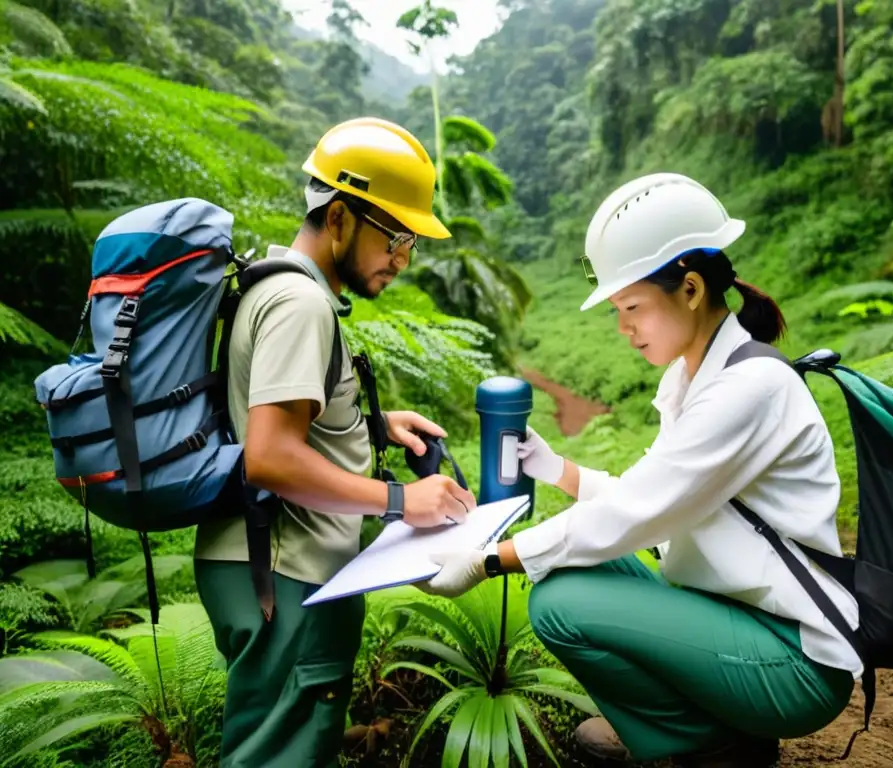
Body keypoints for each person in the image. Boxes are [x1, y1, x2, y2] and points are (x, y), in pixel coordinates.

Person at [421, 172, 859, 768]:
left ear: (691, 289)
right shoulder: (694, 377)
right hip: (741, 617)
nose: (623, 327)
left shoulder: (747, 388)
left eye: (631, 306)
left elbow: (640, 512)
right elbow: (649, 495)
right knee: (585, 563)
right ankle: (718, 728)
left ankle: (708, 743)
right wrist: (558, 469)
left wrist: (487, 561)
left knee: (560, 605)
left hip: (796, 660)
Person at [193, 117, 477, 768]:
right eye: (398, 237)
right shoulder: (301, 305)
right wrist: (404, 500)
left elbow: (272, 419)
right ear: (342, 217)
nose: (402, 259)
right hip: (286, 577)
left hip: (269, 566)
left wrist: (372, 427)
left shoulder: (272, 285)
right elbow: (269, 455)